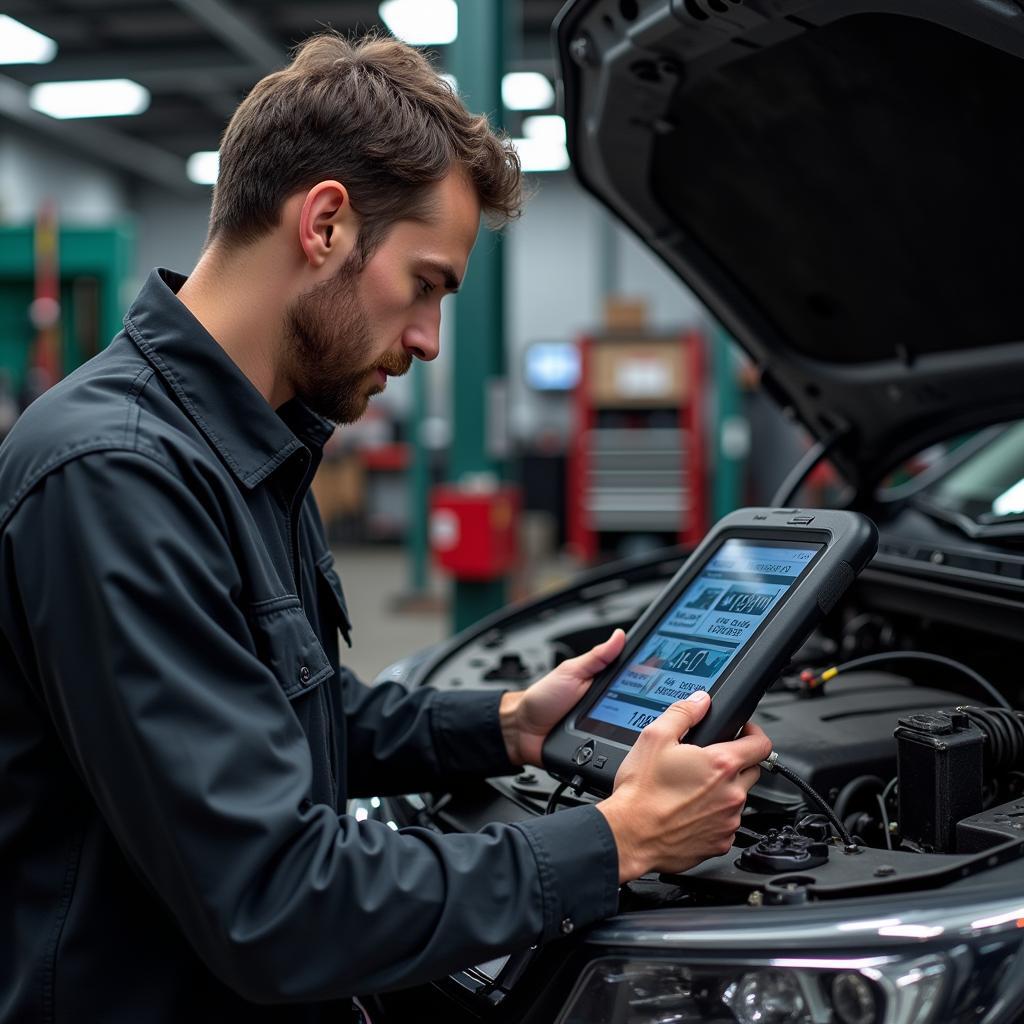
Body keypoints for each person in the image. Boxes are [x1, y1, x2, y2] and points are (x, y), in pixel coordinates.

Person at [0, 32, 772, 1024]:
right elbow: (276, 904)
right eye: (426, 284)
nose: (426, 339)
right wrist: (615, 838)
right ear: (324, 224)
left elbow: (285, 718)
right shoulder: (117, 474)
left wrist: (506, 726)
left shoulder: (245, 443)